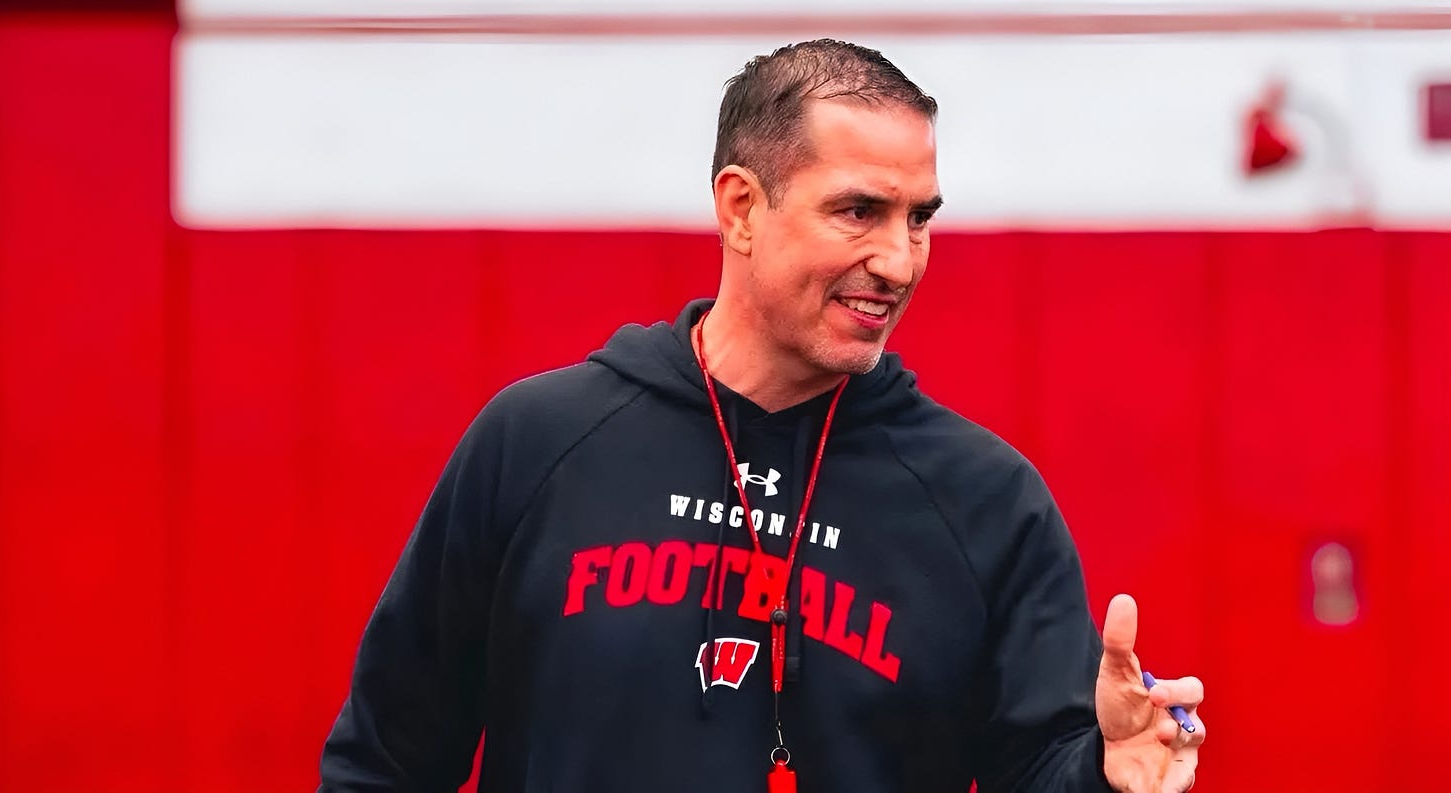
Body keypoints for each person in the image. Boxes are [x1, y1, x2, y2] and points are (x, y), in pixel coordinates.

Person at [318, 39, 1205, 793]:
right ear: (742, 208)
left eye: (919, 219)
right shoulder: (537, 442)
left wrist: (1102, 769)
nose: (897, 261)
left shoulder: (987, 501)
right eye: (859, 211)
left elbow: (1039, 766)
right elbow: (387, 760)